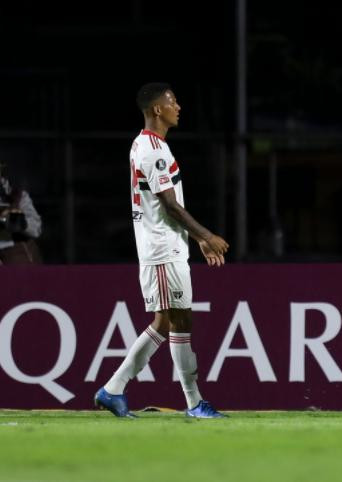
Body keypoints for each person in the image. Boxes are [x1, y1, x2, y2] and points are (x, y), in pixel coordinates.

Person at [94, 83, 230, 418]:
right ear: (157, 109)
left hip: (166, 245)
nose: (178, 107)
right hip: (161, 249)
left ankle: (112, 389)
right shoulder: (152, 149)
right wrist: (206, 235)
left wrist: (195, 239)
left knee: (166, 322)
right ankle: (195, 403)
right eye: (172, 102)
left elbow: (167, 204)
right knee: (179, 320)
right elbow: (169, 205)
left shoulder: (150, 145)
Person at [0, 161, 43, 264]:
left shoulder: (17, 195)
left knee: (21, 255)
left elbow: (36, 228)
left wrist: (22, 224)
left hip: (14, 253)